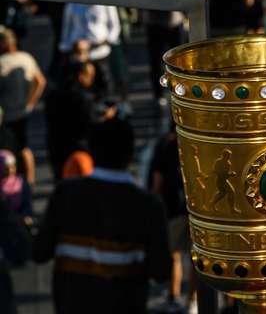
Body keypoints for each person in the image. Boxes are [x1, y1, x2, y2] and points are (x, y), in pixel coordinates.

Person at [34, 116, 169, 314]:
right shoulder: (148, 205)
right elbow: (160, 271)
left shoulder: (65, 193)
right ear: (130, 154)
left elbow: (39, 252)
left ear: (92, 152)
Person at [148, 123, 191, 312]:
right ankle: (193, 300)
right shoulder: (196, 144)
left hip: (173, 208)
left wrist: (153, 207)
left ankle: (174, 295)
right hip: (195, 210)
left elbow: (157, 181)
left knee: (174, 255)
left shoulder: (166, 146)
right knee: (195, 258)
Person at [0, 30, 43, 189]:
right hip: (22, 112)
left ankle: (9, 184)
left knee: (7, 150)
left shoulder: (2, 62)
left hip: (6, 115)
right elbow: (40, 81)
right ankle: (30, 182)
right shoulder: (26, 58)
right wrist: (31, 102)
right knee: (24, 147)